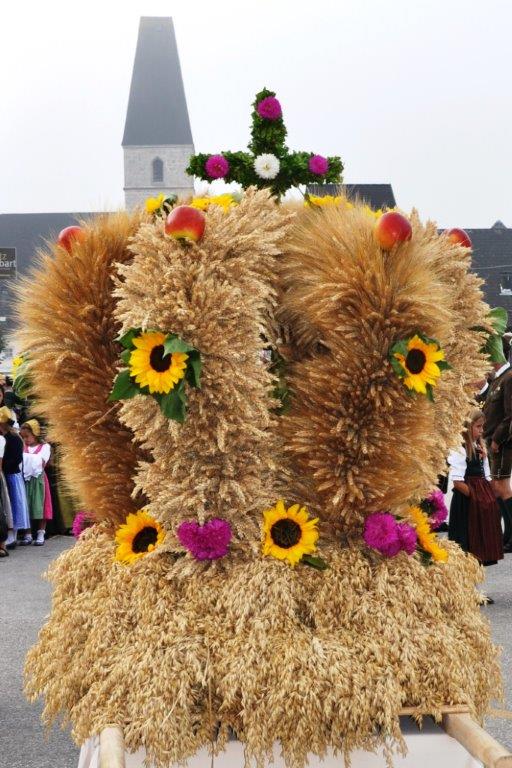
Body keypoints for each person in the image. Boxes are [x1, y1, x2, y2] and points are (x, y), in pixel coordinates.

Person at [448, 410, 504, 587]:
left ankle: (474, 588)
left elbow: (486, 475)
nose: (482, 430)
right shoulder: (460, 449)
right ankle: (466, 589)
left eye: (482, 427)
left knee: (479, 542)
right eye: (478, 426)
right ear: (468, 426)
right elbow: (458, 482)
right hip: (466, 502)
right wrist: (477, 498)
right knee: (467, 543)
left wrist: (492, 493)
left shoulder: (480, 447)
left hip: (479, 499)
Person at [482, 357, 512, 551]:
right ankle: (507, 534)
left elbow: (510, 414)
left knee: (503, 487)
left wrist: (497, 439)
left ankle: (511, 536)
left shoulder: (509, 378)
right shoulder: (498, 379)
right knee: (497, 487)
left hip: (501, 443)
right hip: (493, 441)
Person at [19, 419, 53, 546]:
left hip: (39, 480)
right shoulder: (24, 447)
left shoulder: (45, 447)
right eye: (23, 437)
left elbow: (41, 462)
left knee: (41, 505)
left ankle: (41, 533)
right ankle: (27, 533)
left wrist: (26, 458)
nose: (25, 440)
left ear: (35, 434)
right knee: (26, 505)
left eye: (27, 436)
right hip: (25, 479)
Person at [0, 406, 30, 548]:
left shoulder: (14, 438)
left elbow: (17, 458)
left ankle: (13, 534)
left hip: (11, 475)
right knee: (7, 505)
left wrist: (4, 467)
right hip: (5, 473)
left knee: (13, 503)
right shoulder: (3, 437)